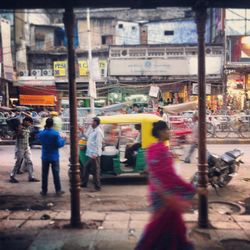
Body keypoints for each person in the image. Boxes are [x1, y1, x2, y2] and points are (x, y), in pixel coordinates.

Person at [135, 121, 207, 250]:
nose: (169, 132)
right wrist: (193, 189)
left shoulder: (153, 148)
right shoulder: (161, 150)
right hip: (165, 197)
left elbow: (153, 170)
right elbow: (170, 176)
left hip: (158, 195)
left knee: (171, 227)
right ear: (161, 133)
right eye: (167, 130)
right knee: (159, 228)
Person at [38, 118, 66, 196]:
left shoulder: (42, 133)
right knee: (56, 174)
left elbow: (39, 139)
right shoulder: (55, 134)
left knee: (44, 174)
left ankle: (44, 191)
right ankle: (58, 190)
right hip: (54, 157)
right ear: (53, 124)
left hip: (45, 156)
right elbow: (59, 144)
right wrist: (64, 139)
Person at [10, 117, 40, 183]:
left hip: (27, 147)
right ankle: (12, 176)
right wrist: (19, 132)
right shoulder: (18, 127)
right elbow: (13, 137)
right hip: (20, 148)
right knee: (18, 162)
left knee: (29, 161)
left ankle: (31, 177)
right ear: (26, 121)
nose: (30, 124)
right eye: (29, 123)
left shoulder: (27, 128)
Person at [81, 117, 104, 191]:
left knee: (95, 171)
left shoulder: (98, 132)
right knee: (86, 167)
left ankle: (97, 187)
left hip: (94, 154)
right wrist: (82, 132)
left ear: (96, 123)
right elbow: (88, 138)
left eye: (92, 122)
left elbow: (98, 144)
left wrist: (95, 154)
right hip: (90, 153)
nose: (91, 123)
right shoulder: (92, 130)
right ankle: (84, 183)